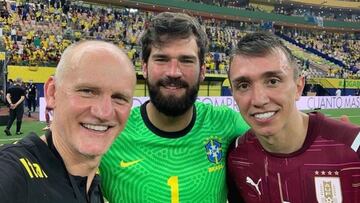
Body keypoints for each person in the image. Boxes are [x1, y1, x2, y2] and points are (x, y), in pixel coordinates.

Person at [100, 12, 249, 203]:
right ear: (144, 67)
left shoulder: (227, 123)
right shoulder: (112, 132)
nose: (173, 72)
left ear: (203, 70)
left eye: (186, 60)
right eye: (161, 59)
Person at [227, 31, 360, 203]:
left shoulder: (353, 146)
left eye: (273, 81)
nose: (259, 99)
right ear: (233, 94)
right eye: (243, 85)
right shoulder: (238, 155)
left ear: (298, 87)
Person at [0, 40, 137, 202]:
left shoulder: (94, 181)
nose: (104, 112)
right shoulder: (12, 174)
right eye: (87, 91)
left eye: (120, 98)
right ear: (52, 93)